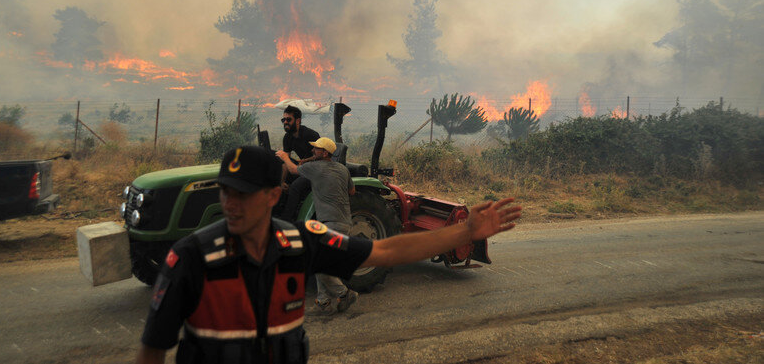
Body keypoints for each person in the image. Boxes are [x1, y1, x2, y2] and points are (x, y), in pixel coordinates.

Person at [135, 145, 521, 364]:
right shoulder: (190, 259)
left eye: (243, 193)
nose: (230, 203)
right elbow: (152, 351)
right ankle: (334, 294)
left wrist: (465, 231)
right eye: (225, 192)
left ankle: (333, 294)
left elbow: (386, 250)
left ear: (273, 196)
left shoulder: (301, 243)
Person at [276, 137, 357, 315]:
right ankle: (323, 302)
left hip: (331, 224)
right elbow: (352, 191)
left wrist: (283, 156)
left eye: (317, 149)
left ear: (325, 153)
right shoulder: (342, 169)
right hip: (344, 223)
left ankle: (344, 294)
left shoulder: (315, 168)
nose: (313, 151)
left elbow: (292, 169)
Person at [277, 106, 320, 221]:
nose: (285, 122)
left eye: (288, 119)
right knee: (279, 178)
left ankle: (287, 220)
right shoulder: (287, 137)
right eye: (283, 120)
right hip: (303, 167)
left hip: (316, 169)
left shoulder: (311, 135)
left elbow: (319, 157)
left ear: (298, 120)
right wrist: (281, 182)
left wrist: (305, 161)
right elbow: (286, 161)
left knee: (295, 187)